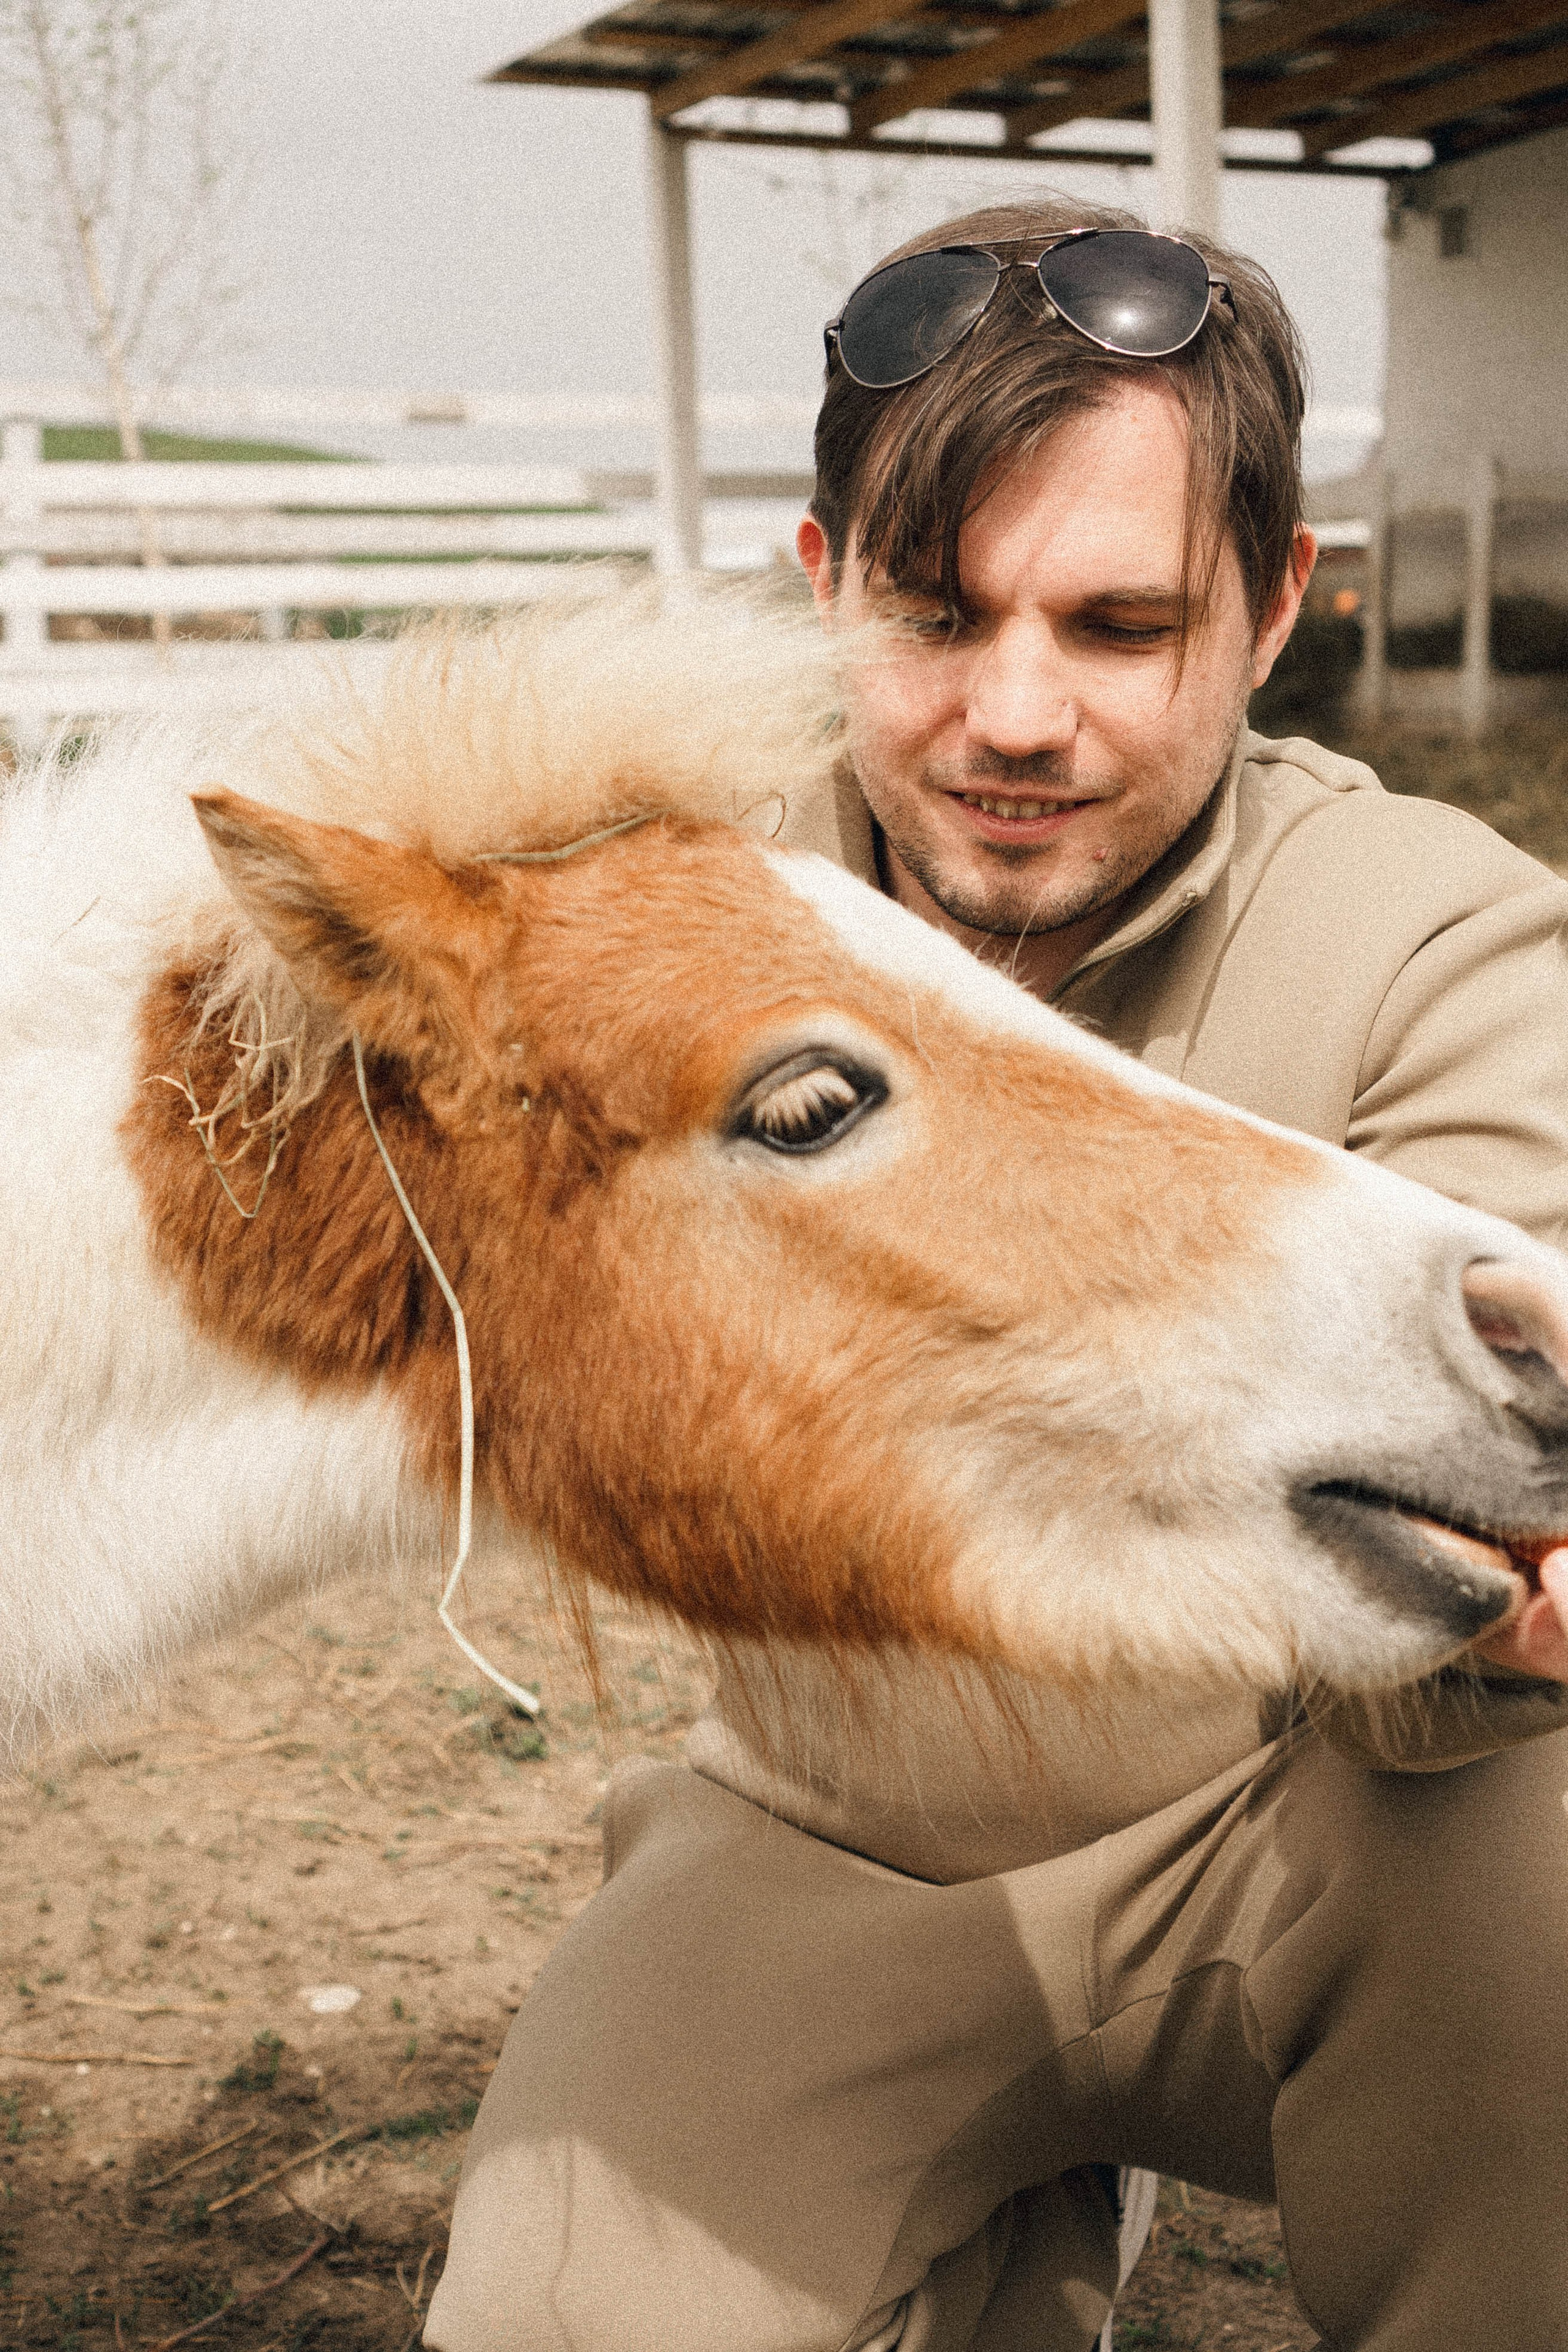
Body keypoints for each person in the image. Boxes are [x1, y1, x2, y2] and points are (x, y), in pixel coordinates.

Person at [424, 198, 1568, 2352]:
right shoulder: (676, 925)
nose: (1014, 716)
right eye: (934, 614)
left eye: (1123, 625)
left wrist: (1506, 1599)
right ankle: (1013, 2214)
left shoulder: (1445, 936)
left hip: (1306, 1828)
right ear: (820, 582)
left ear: (1275, 606)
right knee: (556, 2323)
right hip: (830, 1840)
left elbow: (1514, 1444)